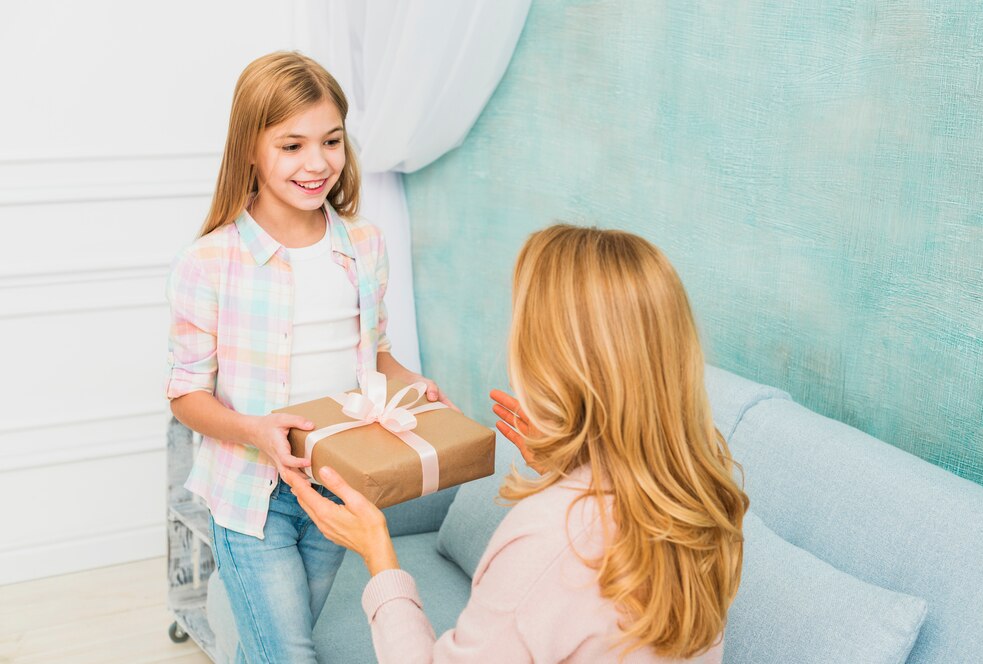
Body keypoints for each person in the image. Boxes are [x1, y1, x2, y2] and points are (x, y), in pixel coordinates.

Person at [286, 224, 750, 662]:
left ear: (554, 361)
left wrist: (379, 556)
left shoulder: (550, 537)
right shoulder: (706, 492)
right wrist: (568, 466)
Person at [165, 51, 452, 664]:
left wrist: (415, 386)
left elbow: (375, 356)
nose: (317, 163)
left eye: (331, 141)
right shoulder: (209, 262)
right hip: (253, 497)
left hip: (338, 483)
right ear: (249, 147)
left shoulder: (365, 244)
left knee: (272, 653)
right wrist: (254, 430)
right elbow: (185, 394)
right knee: (288, 655)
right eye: (291, 145)